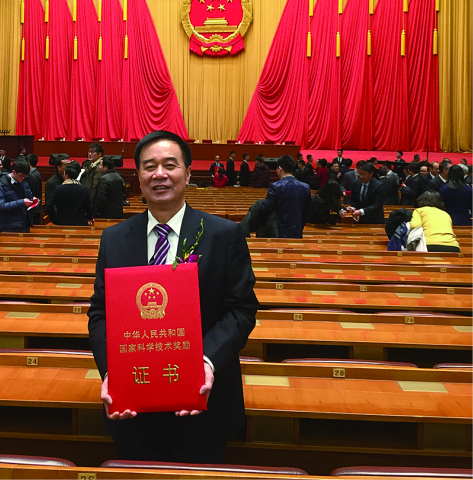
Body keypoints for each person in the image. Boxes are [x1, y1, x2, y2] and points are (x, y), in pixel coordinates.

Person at [88, 130, 258, 463]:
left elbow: (241, 309)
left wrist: (204, 362)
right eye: (149, 166)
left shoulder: (224, 235)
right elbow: (99, 314)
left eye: (170, 165)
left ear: (188, 174)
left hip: (204, 405)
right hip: (133, 408)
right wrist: (113, 373)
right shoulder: (114, 239)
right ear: (138, 176)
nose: (159, 174)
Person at [260, 154, 310, 238]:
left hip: (278, 231)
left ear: (280, 169)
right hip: (297, 230)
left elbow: (266, 209)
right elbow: (307, 212)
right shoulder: (305, 187)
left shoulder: (275, 186)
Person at [0, 157, 36, 232]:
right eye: (21, 176)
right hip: (8, 225)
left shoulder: (24, 182)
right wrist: (22, 202)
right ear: (14, 171)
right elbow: (0, 206)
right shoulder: (1, 185)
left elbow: (28, 196)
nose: (23, 178)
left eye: (25, 176)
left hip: (24, 223)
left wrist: (32, 200)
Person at [340, 160, 384, 225]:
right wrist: (354, 209)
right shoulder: (355, 183)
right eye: (359, 173)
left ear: (371, 174)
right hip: (359, 219)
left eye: (363, 174)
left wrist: (361, 211)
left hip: (374, 219)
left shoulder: (378, 185)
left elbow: (377, 205)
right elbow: (353, 199)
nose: (361, 176)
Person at [26, 154, 43, 225]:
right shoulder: (36, 173)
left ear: (28, 163)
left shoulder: (32, 175)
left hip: (34, 207)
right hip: (36, 207)